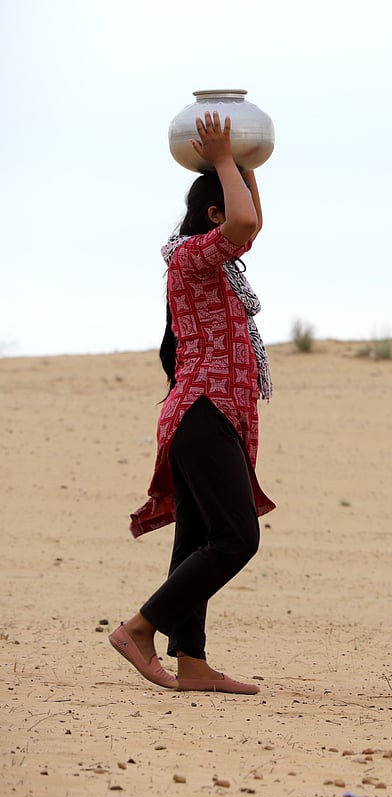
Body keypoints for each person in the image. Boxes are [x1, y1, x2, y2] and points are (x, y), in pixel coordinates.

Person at [110, 112, 274, 695]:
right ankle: (139, 628)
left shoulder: (221, 264)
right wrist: (228, 160)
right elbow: (244, 220)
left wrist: (247, 161)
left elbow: (250, 223)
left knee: (198, 539)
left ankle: (193, 662)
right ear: (212, 217)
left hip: (216, 413)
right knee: (236, 538)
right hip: (200, 410)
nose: (243, 236)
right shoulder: (191, 256)